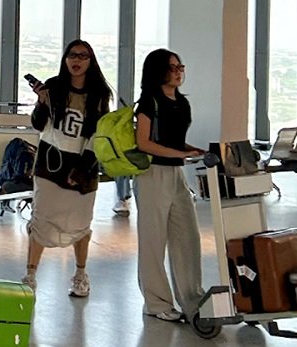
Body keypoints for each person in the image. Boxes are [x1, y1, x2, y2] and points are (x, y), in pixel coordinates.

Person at [23, 40, 112, 298]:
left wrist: (83, 169)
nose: (77, 60)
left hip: (84, 166)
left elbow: (99, 134)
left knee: (81, 223)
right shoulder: (54, 86)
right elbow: (38, 124)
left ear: (91, 61)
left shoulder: (99, 93)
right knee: (42, 219)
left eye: (83, 56)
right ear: (65, 59)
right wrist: (41, 102)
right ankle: (30, 275)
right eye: (72, 55)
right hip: (50, 164)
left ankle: (80, 274)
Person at [133, 48, 204, 322]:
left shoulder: (182, 103)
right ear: (158, 71)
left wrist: (191, 151)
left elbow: (174, 141)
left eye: (180, 67)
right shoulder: (148, 102)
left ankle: (192, 298)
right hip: (152, 174)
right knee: (153, 241)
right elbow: (144, 143)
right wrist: (180, 154)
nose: (177, 72)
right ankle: (156, 302)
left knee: (187, 236)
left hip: (176, 174)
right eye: (172, 67)